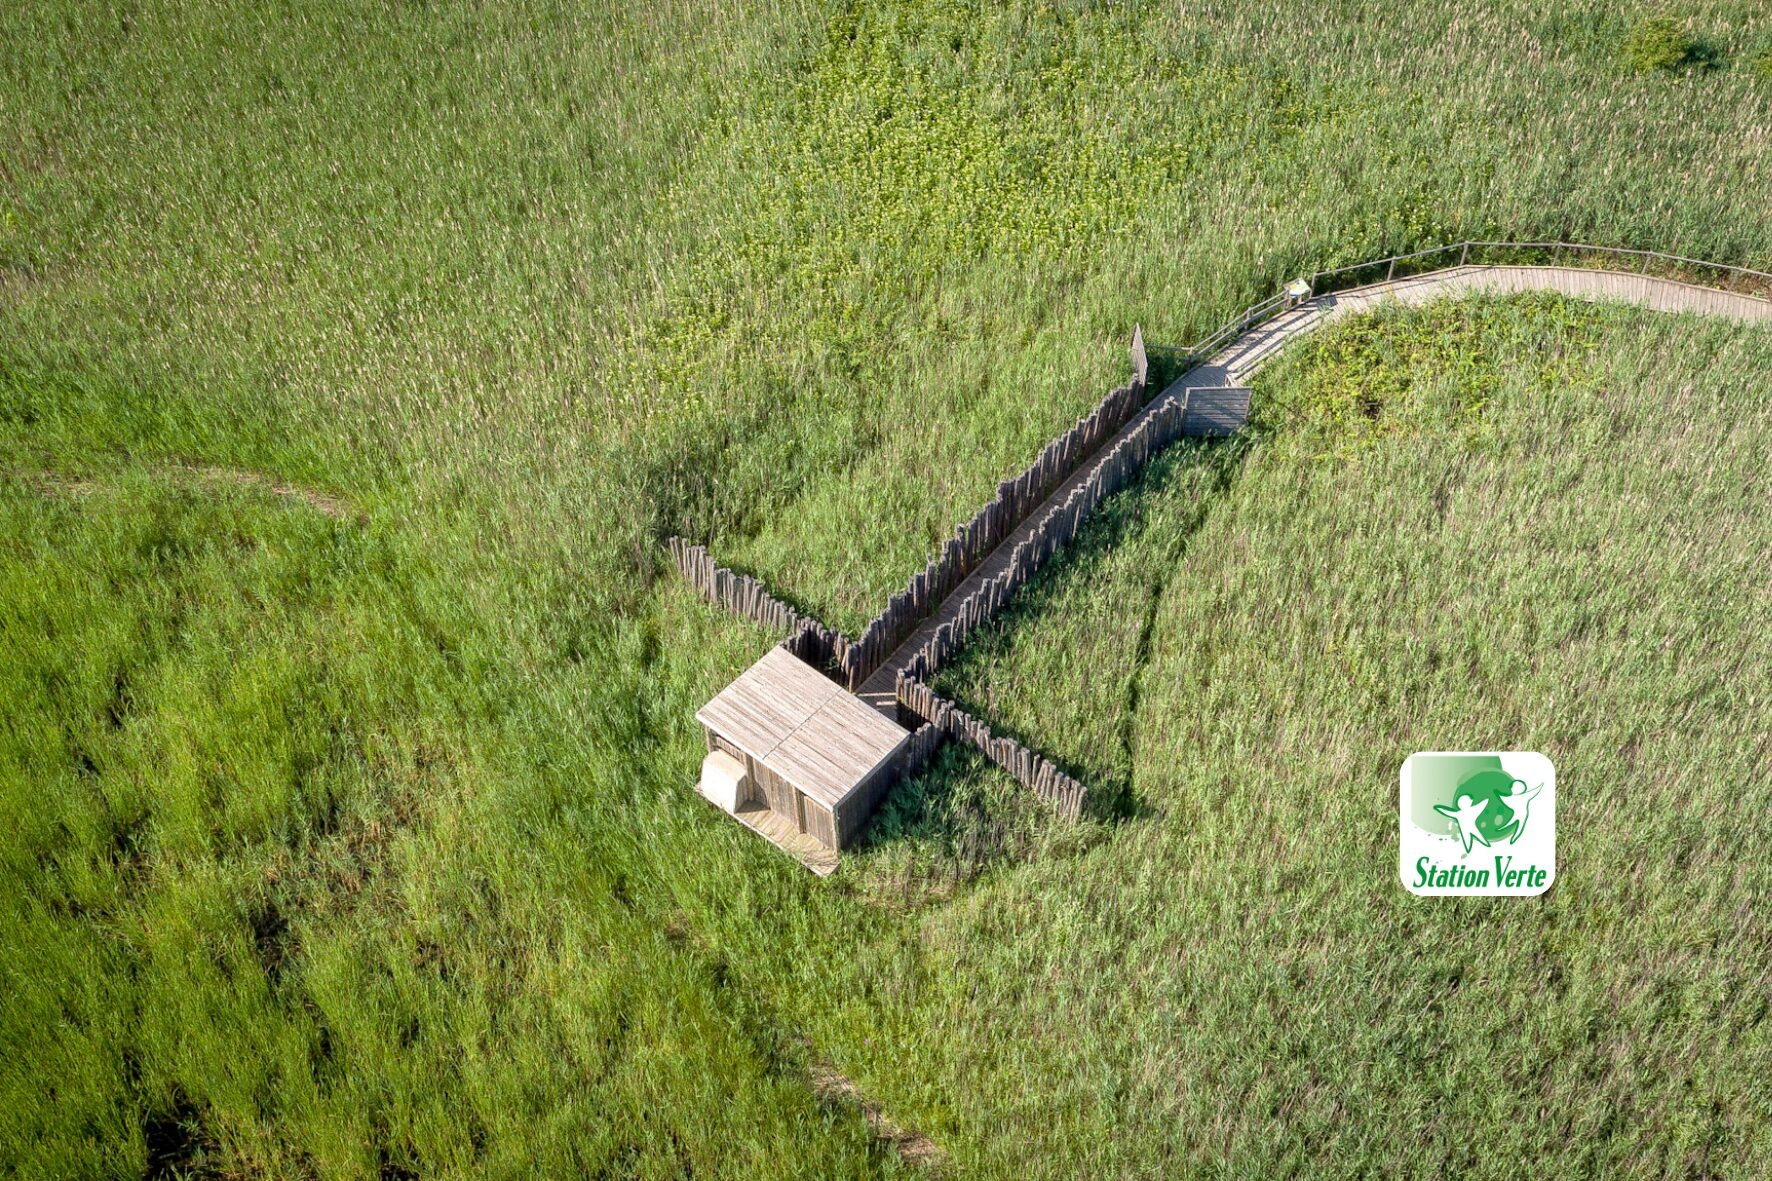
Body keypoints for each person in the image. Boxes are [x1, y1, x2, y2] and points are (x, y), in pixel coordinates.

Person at [1496, 779, 1543, 843]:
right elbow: (1503, 798)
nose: (1511, 788)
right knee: (1510, 824)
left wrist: (1497, 792)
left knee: (1514, 825)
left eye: (1512, 787)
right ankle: (1503, 831)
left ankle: (1508, 835)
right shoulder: (1514, 797)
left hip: (1522, 814)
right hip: (1520, 814)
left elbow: (1534, 791)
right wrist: (1497, 792)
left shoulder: (1521, 797)